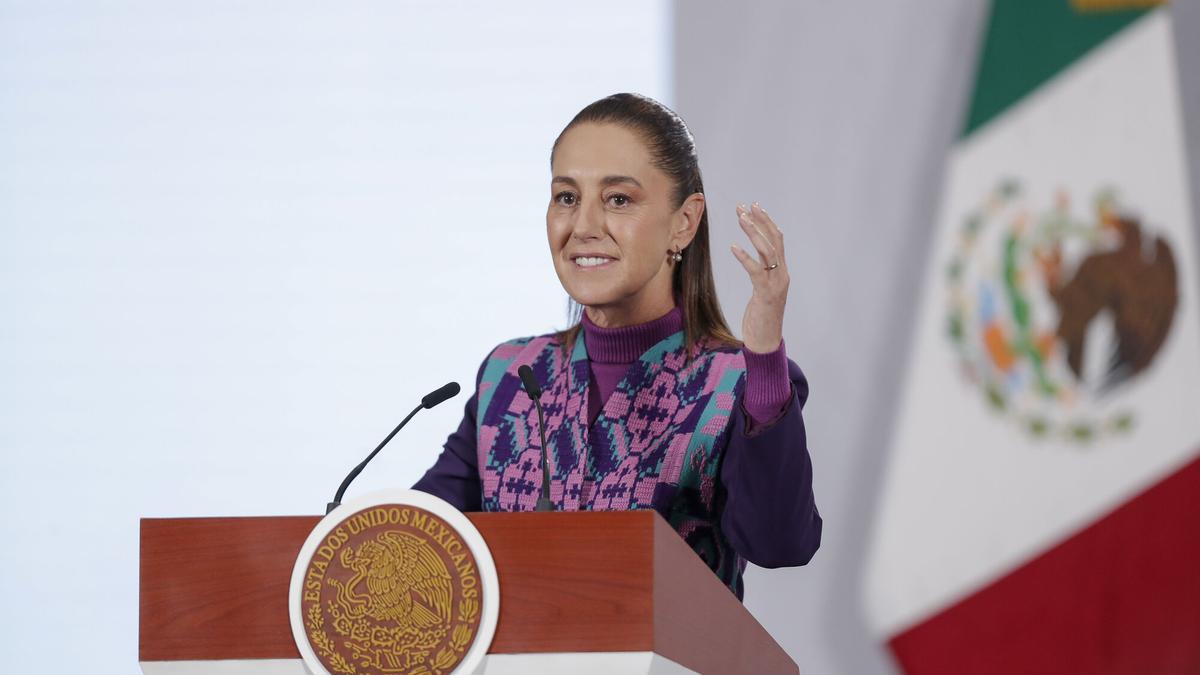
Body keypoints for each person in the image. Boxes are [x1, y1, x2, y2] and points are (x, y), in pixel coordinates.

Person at [414, 93, 820, 599]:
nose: (583, 227)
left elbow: (779, 543)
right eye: (566, 197)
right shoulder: (511, 375)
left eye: (618, 200)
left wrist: (763, 356)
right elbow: (417, 536)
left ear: (684, 222)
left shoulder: (735, 382)